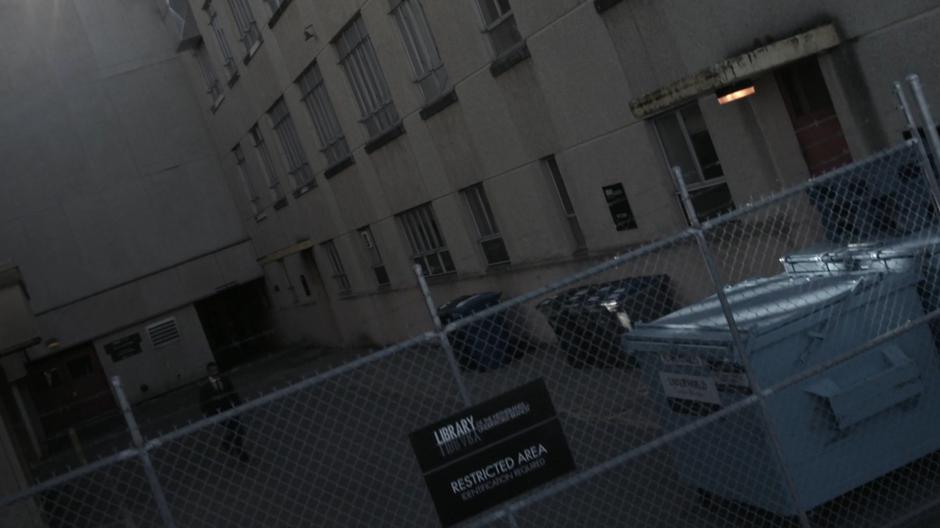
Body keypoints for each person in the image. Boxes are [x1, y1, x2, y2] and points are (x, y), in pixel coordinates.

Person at [199, 362, 250, 463]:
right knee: (236, 429)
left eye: (216, 370)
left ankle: (228, 443)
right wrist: (208, 413)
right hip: (218, 413)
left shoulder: (225, 380)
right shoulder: (205, 387)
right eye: (212, 371)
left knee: (237, 429)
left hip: (230, 409)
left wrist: (238, 405)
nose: (215, 372)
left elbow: (233, 393)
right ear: (208, 372)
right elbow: (203, 402)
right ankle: (240, 452)